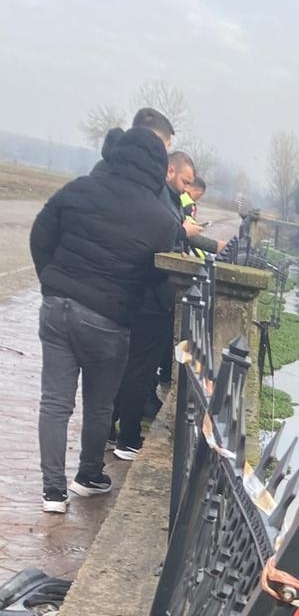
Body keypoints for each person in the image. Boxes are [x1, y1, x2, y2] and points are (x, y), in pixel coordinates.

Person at [29, 125, 179, 512]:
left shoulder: (79, 189)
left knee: (55, 402)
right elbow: (159, 278)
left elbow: (41, 232)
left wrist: (50, 278)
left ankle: (52, 493)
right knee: (99, 404)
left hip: (57, 307)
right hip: (109, 320)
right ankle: (88, 475)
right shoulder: (161, 219)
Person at [111, 150, 200, 460]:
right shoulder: (160, 199)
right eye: (186, 181)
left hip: (152, 295)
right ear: (170, 171)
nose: (188, 189)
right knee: (139, 370)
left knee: (131, 367)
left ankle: (111, 430)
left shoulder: (168, 198)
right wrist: (182, 233)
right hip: (152, 296)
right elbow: (159, 238)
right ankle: (128, 438)